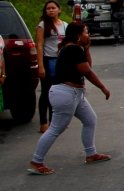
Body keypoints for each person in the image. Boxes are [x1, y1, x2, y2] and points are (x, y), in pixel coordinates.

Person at [28, 22, 112, 175]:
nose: (88, 35)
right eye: (86, 32)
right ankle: (36, 161)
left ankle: (91, 154)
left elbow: (87, 65)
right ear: (78, 35)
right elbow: (87, 71)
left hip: (74, 93)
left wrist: (86, 48)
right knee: (55, 129)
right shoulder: (72, 48)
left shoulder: (74, 48)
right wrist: (102, 87)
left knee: (90, 120)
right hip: (66, 93)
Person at [35, 0, 67, 133]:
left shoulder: (65, 25)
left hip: (61, 61)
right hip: (49, 61)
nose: (51, 10)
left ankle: (54, 122)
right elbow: (40, 45)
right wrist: (41, 66)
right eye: (48, 8)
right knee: (46, 91)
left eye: (53, 8)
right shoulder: (43, 25)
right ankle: (43, 122)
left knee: (58, 92)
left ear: (59, 10)